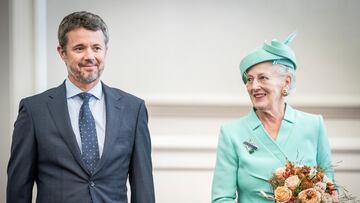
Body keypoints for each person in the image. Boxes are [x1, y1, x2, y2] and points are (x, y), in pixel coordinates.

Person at [7, 11, 155, 203]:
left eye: (96, 48)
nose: (90, 56)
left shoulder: (133, 109)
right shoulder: (34, 110)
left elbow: (143, 186)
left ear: (105, 51)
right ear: (62, 53)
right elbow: (19, 188)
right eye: (79, 48)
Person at [211, 33, 334, 202]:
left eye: (263, 78)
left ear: (287, 82)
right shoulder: (232, 133)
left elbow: (330, 191)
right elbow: (221, 198)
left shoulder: (314, 125)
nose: (254, 86)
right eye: (249, 79)